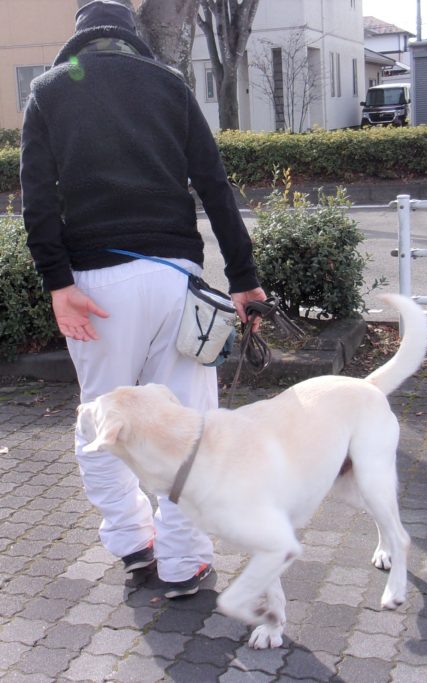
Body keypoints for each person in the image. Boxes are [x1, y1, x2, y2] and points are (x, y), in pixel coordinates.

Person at [20, 0, 266, 597]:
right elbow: (214, 185)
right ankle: (184, 562)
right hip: (174, 278)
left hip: (94, 286)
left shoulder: (47, 92)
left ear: (78, 40)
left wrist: (58, 284)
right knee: (189, 425)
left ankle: (132, 542)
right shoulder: (169, 85)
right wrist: (243, 277)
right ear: (132, 37)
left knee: (100, 419)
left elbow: (38, 199)